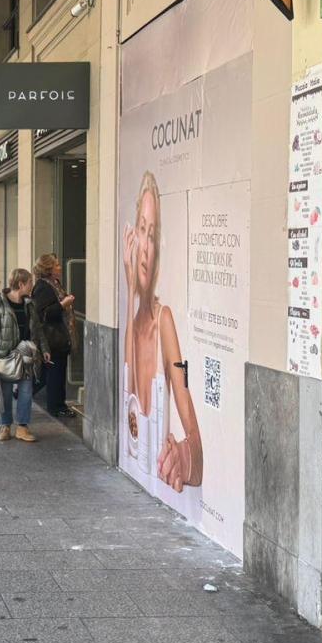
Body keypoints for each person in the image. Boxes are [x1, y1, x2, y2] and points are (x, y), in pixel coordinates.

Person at [122, 172, 204, 490]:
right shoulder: (132, 324)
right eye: (142, 230)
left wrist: (184, 459)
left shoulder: (164, 321)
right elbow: (127, 405)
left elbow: (194, 442)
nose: (145, 246)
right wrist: (130, 296)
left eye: (153, 235)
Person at [0, 268, 49, 443]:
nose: (32, 286)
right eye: (30, 283)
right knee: (5, 393)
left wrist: (45, 348)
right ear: (21, 284)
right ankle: (5, 426)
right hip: (4, 356)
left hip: (25, 356)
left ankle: (22, 427)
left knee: (26, 392)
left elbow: (38, 329)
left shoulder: (29, 304)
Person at [31, 254, 77, 418]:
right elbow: (42, 314)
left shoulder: (54, 283)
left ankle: (56, 403)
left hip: (59, 337)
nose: (60, 267)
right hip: (52, 338)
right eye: (56, 265)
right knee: (53, 373)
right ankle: (56, 406)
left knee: (52, 372)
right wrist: (63, 305)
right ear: (48, 269)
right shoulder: (42, 287)